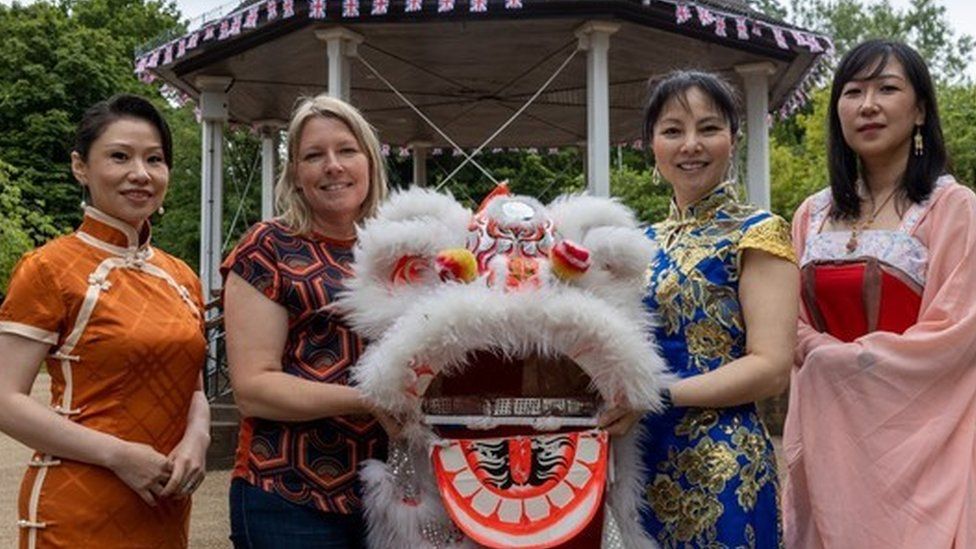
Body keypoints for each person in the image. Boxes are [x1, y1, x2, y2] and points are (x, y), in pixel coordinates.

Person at [783, 39, 976, 548]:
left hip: (921, 443)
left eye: (886, 89)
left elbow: (957, 332)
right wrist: (814, 350)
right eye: (853, 91)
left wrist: (844, 361)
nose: (867, 105)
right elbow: (789, 317)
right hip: (832, 440)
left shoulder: (953, 209)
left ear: (919, 112)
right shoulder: (812, 214)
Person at [0, 94, 210, 548]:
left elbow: (194, 388)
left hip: (166, 504)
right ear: (81, 166)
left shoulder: (182, 276)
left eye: (154, 159)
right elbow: (4, 399)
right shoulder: (48, 268)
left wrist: (199, 436)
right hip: (79, 509)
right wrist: (118, 455)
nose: (140, 173)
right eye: (120, 156)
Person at [634, 71, 799, 547]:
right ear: (651, 145)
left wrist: (664, 396)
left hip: (723, 460)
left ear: (733, 139)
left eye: (708, 128)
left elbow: (771, 367)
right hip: (643, 458)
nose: (691, 145)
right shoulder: (639, 243)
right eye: (672, 131)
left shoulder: (757, 232)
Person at [222, 94, 391, 548]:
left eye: (347, 150)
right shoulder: (269, 246)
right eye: (314, 156)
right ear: (295, 174)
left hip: (395, 497)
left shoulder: (400, 249)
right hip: (291, 495)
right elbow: (254, 389)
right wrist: (370, 400)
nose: (332, 165)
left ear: (370, 162)